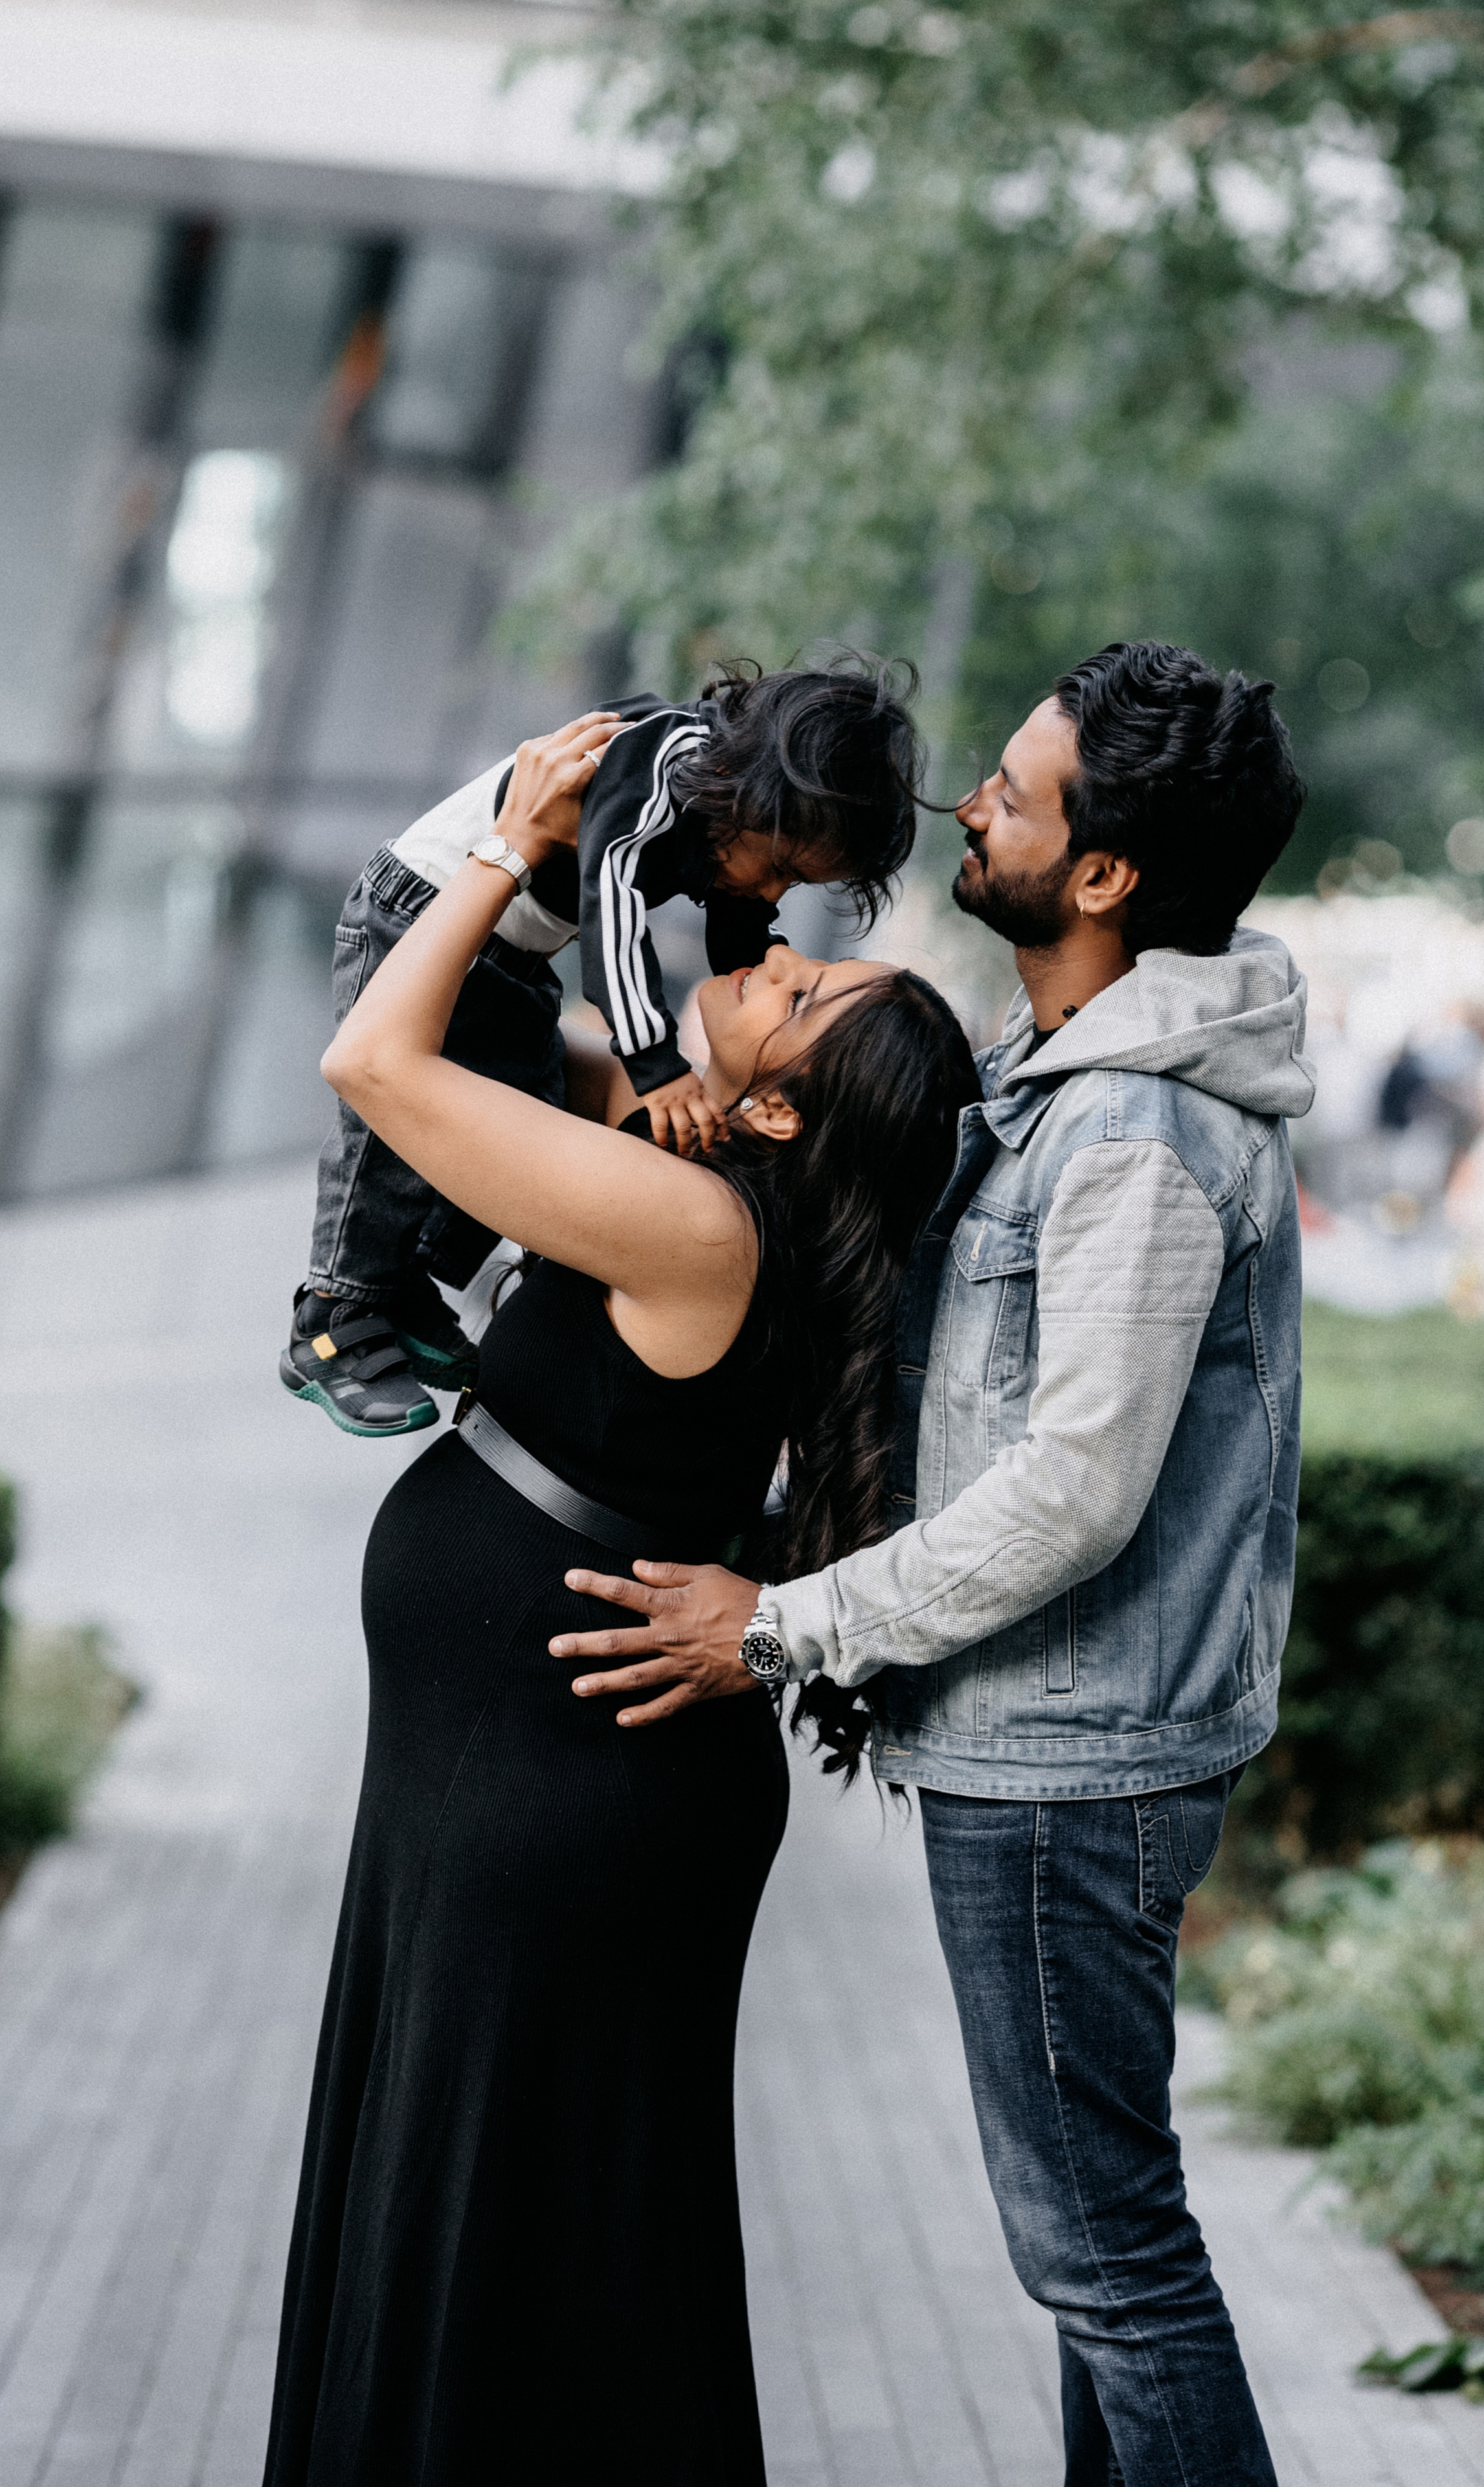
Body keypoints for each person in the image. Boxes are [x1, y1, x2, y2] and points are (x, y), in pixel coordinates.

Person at [554, 642, 1312, 2485]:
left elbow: (1074, 1494)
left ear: (1106, 877)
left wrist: (782, 1630)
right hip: (1056, 1752)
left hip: (1072, 1766)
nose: (968, 802)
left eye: (1014, 790)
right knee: (1097, 2259)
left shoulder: (1135, 1130)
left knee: (1108, 2258)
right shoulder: (1063, 1074)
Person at [263, 711, 980, 2487]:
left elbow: (379, 1057)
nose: (774, 964)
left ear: (776, 1104)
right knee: (520, 2221)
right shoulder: (702, 1183)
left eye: (807, 1000)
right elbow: (522, 1044)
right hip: (529, 1784)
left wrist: (509, 844)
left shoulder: (697, 1230)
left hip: (556, 1802)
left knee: (514, 2230)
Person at [280, 662, 923, 1438]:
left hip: (509, 952)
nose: (776, 899)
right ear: (748, 788)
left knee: (522, 1094)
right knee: (389, 1134)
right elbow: (610, 908)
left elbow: (736, 918)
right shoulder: (659, 766)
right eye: (782, 869)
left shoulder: (730, 817)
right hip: (421, 906)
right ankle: (333, 1312)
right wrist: (656, 1062)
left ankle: (401, 1278)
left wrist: (747, 964)